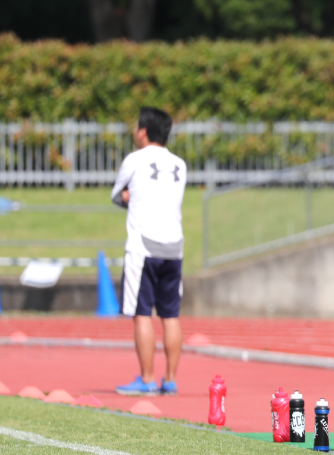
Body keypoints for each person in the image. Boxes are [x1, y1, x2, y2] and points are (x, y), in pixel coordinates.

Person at [111, 107, 187, 396]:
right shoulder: (180, 165)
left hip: (143, 246)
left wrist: (128, 198)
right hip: (174, 247)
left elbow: (117, 195)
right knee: (170, 315)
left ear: (143, 132)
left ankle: (146, 378)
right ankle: (170, 379)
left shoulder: (134, 159)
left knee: (141, 313)